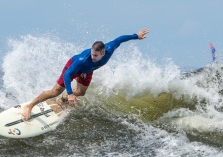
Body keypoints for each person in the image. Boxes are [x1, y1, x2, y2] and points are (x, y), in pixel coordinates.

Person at [21, 28, 150, 120]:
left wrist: (136, 36)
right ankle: (29, 106)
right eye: (92, 53)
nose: (93, 56)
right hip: (74, 67)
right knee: (55, 91)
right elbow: (67, 75)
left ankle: (63, 100)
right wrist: (71, 93)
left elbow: (120, 39)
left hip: (87, 70)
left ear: (103, 53)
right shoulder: (82, 60)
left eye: (96, 55)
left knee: (81, 92)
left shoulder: (110, 49)